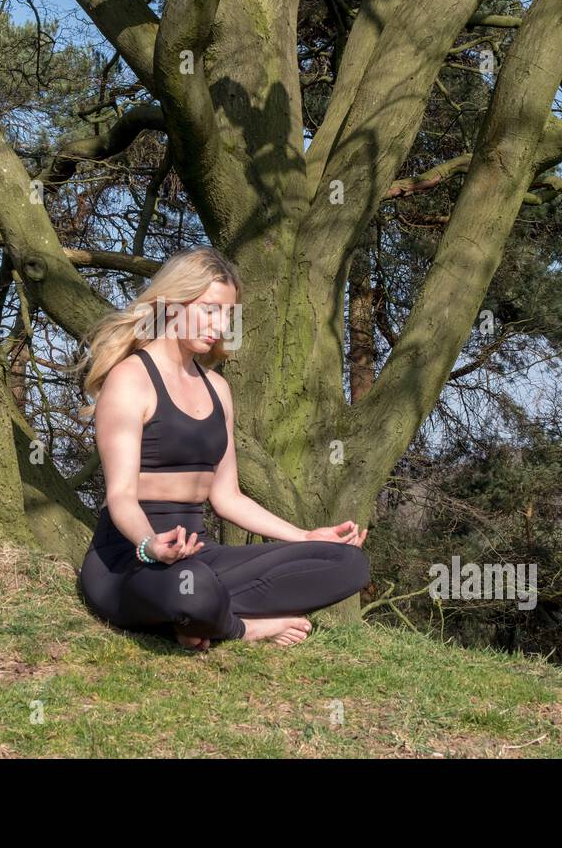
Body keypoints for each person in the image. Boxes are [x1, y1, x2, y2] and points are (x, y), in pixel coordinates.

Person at [72, 246, 370, 650]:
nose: (221, 325)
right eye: (210, 309)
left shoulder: (218, 389)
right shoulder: (131, 379)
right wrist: (151, 545)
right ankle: (244, 626)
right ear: (173, 305)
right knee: (190, 589)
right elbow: (121, 495)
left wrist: (304, 536)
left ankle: (200, 618)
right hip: (130, 558)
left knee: (347, 565)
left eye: (228, 315)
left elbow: (227, 497)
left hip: (200, 558)